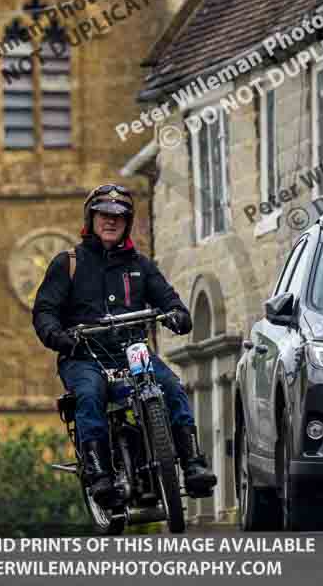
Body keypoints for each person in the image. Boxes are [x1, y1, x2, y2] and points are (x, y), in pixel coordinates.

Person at [33, 184, 217, 507]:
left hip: (134, 352)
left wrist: (177, 315)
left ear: (127, 223)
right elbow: (45, 311)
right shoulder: (68, 263)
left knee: (172, 386)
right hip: (83, 355)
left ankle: (192, 464)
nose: (111, 221)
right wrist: (58, 336)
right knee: (89, 394)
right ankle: (100, 473)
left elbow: (171, 301)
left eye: (119, 216)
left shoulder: (141, 266)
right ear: (91, 218)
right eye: (104, 214)